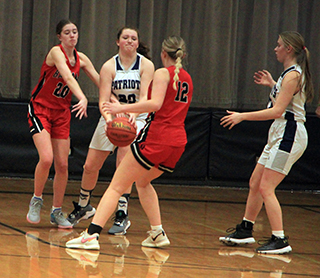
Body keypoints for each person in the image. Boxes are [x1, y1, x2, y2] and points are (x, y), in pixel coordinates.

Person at [65, 35, 193, 250]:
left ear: (163, 53)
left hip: (158, 139)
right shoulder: (187, 77)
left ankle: (91, 235)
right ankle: (157, 233)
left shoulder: (162, 73)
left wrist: (121, 109)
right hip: (178, 143)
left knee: (116, 185)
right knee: (142, 183)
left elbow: (155, 103)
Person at [219, 31, 314, 254]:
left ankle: (279, 239)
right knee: (255, 182)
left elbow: (278, 110)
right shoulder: (287, 74)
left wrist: (242, 116)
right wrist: (272, 84)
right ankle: (245, 229)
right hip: (279, 133)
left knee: (266, 187)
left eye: (278, 45)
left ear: (288, 49)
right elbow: (285, 100)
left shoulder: (293, 75)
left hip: (289, 135)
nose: (275, 48)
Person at [66, 27, 155, 235]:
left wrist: (131, 113)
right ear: (118, 42)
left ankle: (122, 214)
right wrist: (108, 120)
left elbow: (144, 98)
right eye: (125, 38)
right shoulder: (108, 66)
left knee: (123, 161)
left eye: (133, 38)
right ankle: (84, 205)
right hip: (113, 116)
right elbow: (103, 100)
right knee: (90, 165)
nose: (130, 41)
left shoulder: (146, 65)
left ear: (137, 42)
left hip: (137, 117)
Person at [27, 19, 100, 228]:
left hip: (61, 113)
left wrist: (115, 101)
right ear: (60, 36)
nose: (72, 35)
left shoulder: (82, 58)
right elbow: (67, 77)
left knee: (63, 164)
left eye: (75, 31)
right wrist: (82, 97)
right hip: (40, 108)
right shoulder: (55, 52)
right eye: (67, 32)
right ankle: (36, 199)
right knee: (47, 158)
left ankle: (56, 211)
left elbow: (100, 80)